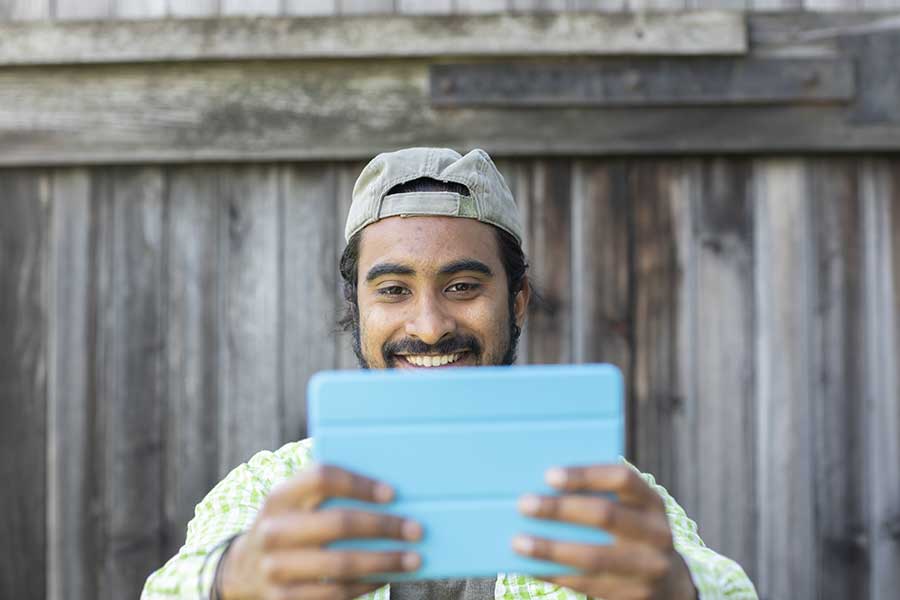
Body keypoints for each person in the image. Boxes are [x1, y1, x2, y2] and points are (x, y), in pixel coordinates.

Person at [142, 148, 757, 600]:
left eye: (463, 286)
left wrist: (678, 590)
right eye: (393, 290)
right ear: (358, 310)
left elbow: (726, 589)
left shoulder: (601, 496)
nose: (430, 325)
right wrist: (234, 580)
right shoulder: (272, 488)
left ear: (516, 303)